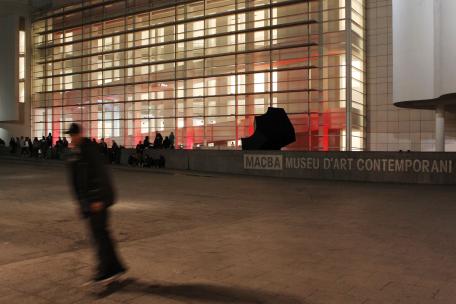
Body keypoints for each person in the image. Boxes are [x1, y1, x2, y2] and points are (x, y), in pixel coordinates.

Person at [65, 123, 126, 283]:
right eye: (70, 135)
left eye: (73, 135)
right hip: (89, 201)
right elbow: (77, 180)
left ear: (80, 134)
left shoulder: (90, 150)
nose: (71, 138)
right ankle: (116, 266)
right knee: (101, 234)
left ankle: (105, 269)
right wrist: (81, 203)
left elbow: (100, 175)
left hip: (97, 200)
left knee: (98, 234)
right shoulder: (76, 152)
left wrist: (99, 199)